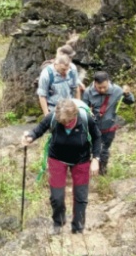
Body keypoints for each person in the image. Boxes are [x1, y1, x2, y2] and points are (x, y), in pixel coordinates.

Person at [21, 99, 102, 234]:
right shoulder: (53, 117)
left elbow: (97, 137)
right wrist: (30, 137)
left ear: (75, 116)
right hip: (57, 158)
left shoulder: (85, 118)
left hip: (81, 160)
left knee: (81, 196)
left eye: (67, 122)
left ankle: (78, 227)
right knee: (56, 196)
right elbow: (39, 130)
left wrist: (96, 159)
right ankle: (58, 222)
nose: (65, 125)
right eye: (62, 122)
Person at [82, 71, 136, 176]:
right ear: (94, 83)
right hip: (93, 127)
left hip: (109, 127)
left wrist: (127, 93)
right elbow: (83, 109)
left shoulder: (116, 90)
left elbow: (131, 101)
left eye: (104, 87)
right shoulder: (88, 92)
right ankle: (87, 172)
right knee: (88, 149)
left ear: (108, 82)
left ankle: (102, 173)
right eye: (99, 87)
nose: (102, 90)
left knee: (104, 150)